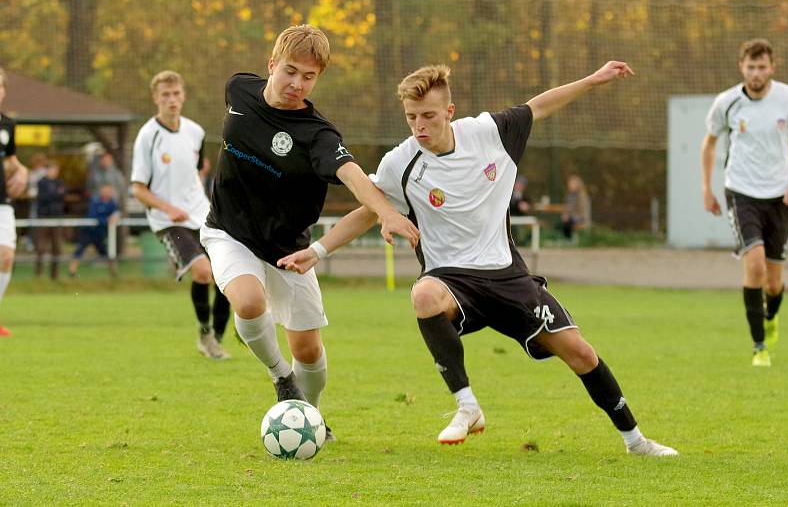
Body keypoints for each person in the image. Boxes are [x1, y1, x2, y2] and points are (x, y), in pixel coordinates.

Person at [277, 62, 678, 457]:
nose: (419, 126)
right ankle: (467, 406)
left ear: (449, 112)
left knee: (581, 353)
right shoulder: (401, 162)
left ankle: (635, 441)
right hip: (452, 280)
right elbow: (367, 211)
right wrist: (317, 251)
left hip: (508, 277)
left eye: (429, 116)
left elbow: (539, 106)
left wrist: (593, 80)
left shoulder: (490, 133)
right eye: (411, 117)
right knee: (423, 295)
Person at [199, 24, 419, 440]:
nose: (296, 84)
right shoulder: (239, 89)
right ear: (271, 65)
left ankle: (309, 416)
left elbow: (353, 176)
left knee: (310, 352)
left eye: (309, 76)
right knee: (247, 302)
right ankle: (281, 378)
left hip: (289, 248)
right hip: (227, 231)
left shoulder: (317, 135)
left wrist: (386, 213)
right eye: (290, 71)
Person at [701, 38, 788, 367]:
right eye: (751, 67)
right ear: (741, 67)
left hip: (780, 196)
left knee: (774, 283)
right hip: (740, 192)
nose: (756, 73)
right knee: (754, 266)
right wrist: (706, 188)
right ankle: (760, 347)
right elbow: (709, 144)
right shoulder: (727, 102)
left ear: (772, 67)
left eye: (762, 67)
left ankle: (771, 316)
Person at [131, 70, 232, 359]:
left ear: (183, 95)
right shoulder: (147, 137)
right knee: (203, 272)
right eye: (165, 95)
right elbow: (138, 189)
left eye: (176, 94)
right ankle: (205, 334)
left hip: (201, 214)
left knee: (226, 273)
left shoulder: (195, 132)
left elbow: (199, 169)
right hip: (167, 221)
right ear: (156, 98)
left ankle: (216, 338)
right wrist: (168, 207)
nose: (172, 100)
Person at [0, 66, 29, 337]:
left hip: (2, 200)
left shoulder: (8, 124)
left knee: (6, 256)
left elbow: (10, 161)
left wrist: (22, 171)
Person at [68, 183, 119, 278]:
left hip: (99, 233)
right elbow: (93, 216)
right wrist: (107, 220)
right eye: (105, 191)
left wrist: (116, 217)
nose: (107, 193)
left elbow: (116, 214)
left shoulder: (112, 203)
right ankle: (72, 273)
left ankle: (114, 273)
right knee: (79, 250)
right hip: (88, 231)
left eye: (109, 191)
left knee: (106, 253)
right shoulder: (95, 201)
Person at [34, 160, 65, 280]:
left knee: (57, 247)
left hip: (56, 218)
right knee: (41, 248)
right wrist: (55, 194)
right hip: (44, 218)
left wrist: (53, 195)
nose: (54, 172)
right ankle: (39, 275)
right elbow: (43, 198)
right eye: (51, 169)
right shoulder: (41, 182)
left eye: (55, 170)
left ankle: (55, 276)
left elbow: (61, 196)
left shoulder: (60, 182)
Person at [561, 174, 591, 240]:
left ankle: (569, 239)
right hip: (573, 216)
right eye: (569, 183)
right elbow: (567, 207)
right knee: (564, 219)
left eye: (572, 183)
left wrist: (569, 214)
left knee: (569, 220)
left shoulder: (582, 196)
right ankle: (566, 238)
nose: (569, 185)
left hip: (581, 218)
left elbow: (582, 210)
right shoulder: (569, 195)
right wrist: (565, 214)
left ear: (578, 185)